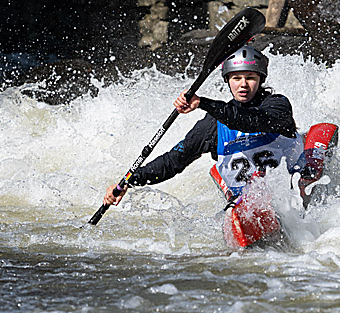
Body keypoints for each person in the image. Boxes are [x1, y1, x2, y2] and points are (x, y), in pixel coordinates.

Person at [103, 45, 305, 207]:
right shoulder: (212, 125)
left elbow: (251, 121)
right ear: (227, 80)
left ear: (260, 79)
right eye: (236, 78)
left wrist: (203, 103)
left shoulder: (278, 105)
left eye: (250, 78)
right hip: (244, 202)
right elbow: (173, 161)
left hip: (289, 188)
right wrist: (128, 181)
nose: (243, 84)